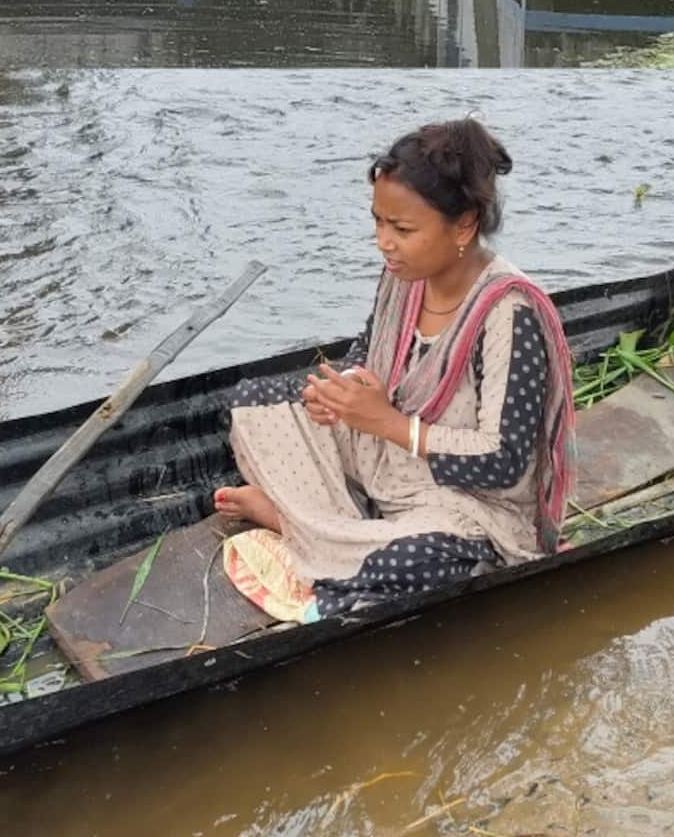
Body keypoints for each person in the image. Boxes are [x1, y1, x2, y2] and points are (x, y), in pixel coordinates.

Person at [214, 118, 574, 620]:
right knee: (254, 403)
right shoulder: (404, 274)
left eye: (402, 230)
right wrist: (343, 392)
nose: (384, 242)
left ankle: (299, 523)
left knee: (420, 562)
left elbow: (504, 461)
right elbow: (367, 355)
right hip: (388, 451)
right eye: (379, 223)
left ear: (464, 225)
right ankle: (326, 528)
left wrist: (388, 423)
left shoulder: (508, 313)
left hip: (466, 501)